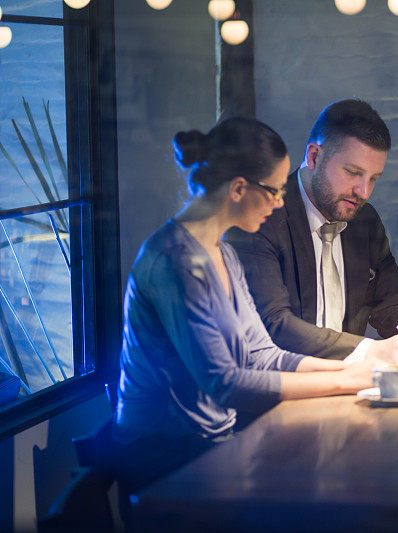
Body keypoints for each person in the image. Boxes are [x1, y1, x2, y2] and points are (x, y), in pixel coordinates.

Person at [113, 118, 374, 483]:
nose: (280, 203)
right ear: (238, 188)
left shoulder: (224, 254)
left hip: (212, 445)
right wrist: (347, 381)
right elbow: (225, 383)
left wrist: (360, 371)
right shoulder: (174, 260)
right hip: (165, 458)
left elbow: (263, 355)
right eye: (275, 191)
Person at [225, 99, 398, 367]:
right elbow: (274, 324)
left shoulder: (365, 219)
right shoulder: (260, 217)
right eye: (353, 172)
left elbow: (390, 298)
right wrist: (371, 351)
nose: (364, 192)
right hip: (286, 386)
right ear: (314, 156)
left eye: (373, 178)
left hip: (350, 386)